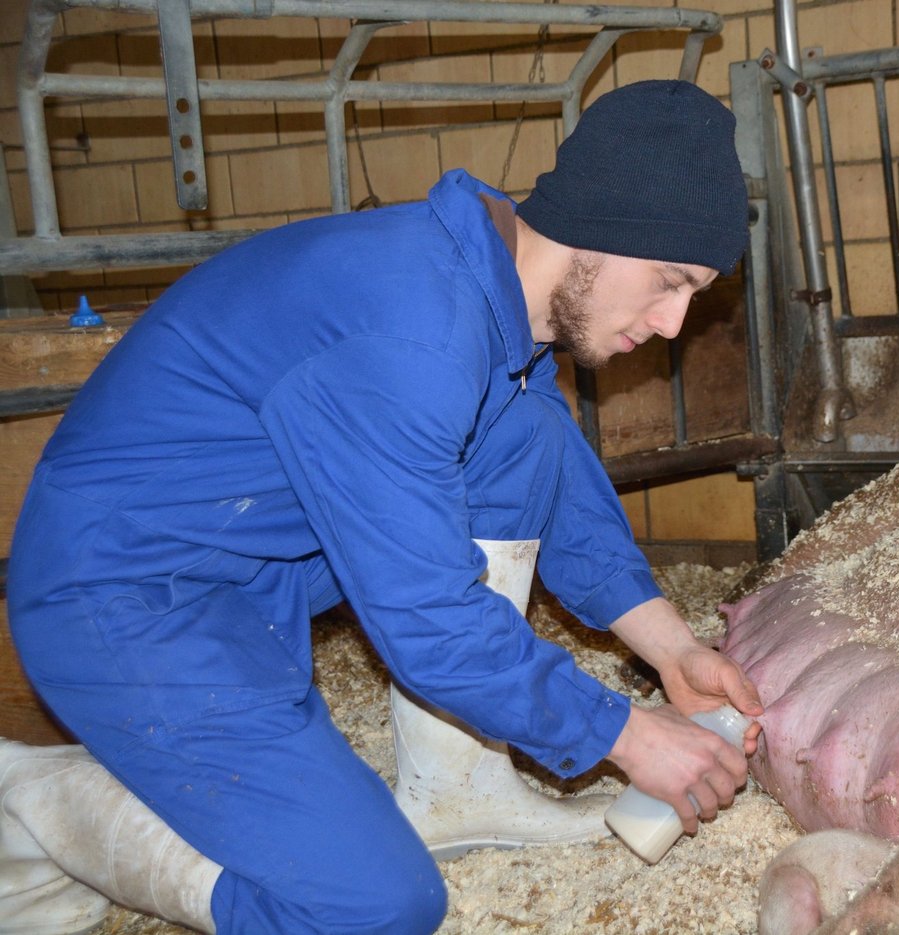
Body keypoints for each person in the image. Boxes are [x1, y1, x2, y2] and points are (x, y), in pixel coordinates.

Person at [0, 79, 763, 935]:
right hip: (122, 594)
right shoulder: (413, 330)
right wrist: (626, 734)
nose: (672, 322)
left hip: (247, 568)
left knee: (527, 438)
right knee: (373, 905)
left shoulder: (490, 287)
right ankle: (47, 800)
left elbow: (558, 481)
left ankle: (456, 794)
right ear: (605, 222)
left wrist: (670, 649)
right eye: (670, 280)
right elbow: (428, 620)